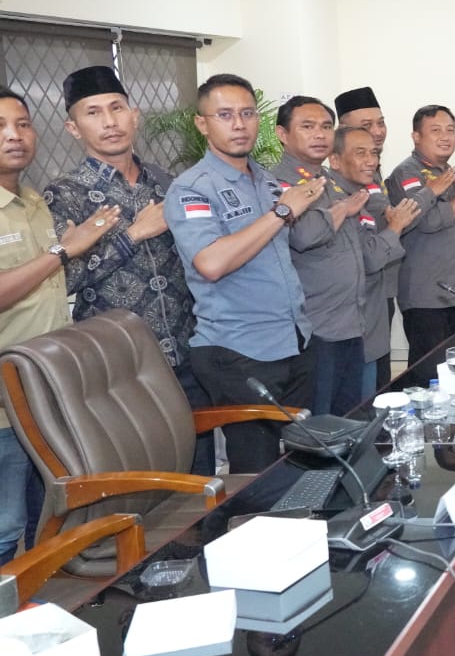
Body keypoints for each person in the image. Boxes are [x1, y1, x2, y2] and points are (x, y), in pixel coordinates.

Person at [166, 74, 322, 473]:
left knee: (301, 464)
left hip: (293, 340)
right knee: (258, 476)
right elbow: (211, 263)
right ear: (202, 124)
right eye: (225, 115)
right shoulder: (192, 188)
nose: (239, 124)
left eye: (247, 113)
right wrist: (282, 211)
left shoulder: (266, 180)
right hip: (240, 351)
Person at [0, 88, 119, 564]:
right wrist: (63, 250)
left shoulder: (32, 201)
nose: (14, 135)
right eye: (0, 127)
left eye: (23, 124)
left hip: (45, 391)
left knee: (42, 514)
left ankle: (34, 599)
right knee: (5, 527)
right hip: (4, 405)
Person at [45, 66, 197, 398]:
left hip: (187, 351)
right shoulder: (65, 193)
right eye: (93, 113)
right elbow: (62, 281)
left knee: (199, 434)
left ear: (134, 116)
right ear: (73, 128)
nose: (110, 122)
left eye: (117, 108)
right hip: (117, 364)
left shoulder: (165, 181)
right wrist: (134, 234)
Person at [271, 96, 372, 416]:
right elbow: (303, 236)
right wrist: (342, 209)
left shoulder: (327, 180)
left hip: (350, 321)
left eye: (326, 126)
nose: (319, 134)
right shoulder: (279, 183)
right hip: (316, 327)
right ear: (283, 134)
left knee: (350, 417)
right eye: (308, 126)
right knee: (319, 423)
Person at [386, 105, 455, 373]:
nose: (445, 137)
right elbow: (426, 221)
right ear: (416, 136)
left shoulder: (450, 172)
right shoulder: (408, 173)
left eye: (450, 130)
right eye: (436, 130)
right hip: (426, 297)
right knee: (429, 374)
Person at [326, 125, 416, 398]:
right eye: (360, 153)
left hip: (369, 324)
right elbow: (368, 260)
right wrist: (396, 226)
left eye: (374, 153)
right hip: (343, 330)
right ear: (335, 160)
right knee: (352, 409)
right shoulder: (334, 201)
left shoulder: (360, 195)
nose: (371, 161)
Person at [334, 86, 396, 379]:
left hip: (382, 283)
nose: (377, 131)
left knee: (381, 371)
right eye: (366, 125)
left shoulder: (374, 169)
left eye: (380, 123)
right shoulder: (340, 181)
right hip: (357, 291)